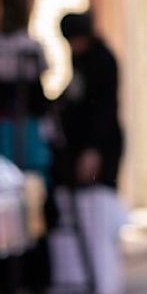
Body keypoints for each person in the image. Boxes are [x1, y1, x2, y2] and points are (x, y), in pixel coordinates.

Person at [55, 12, 122, 191]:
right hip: (81, 140)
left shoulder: (102, 60)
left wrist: (94, 148)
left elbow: (105, 107)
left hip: (100, 141)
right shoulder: (80, 60)